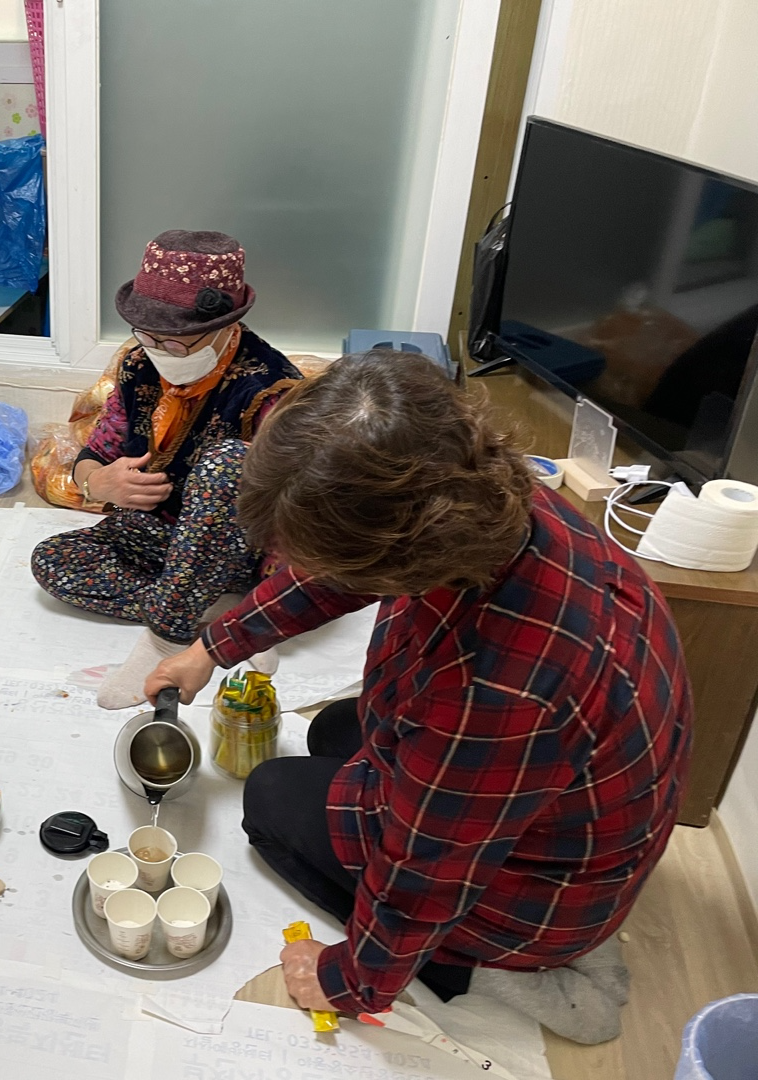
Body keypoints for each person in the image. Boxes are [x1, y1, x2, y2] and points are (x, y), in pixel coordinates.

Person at [145, 352, 692, 1045]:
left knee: (272, 795)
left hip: (539, 894)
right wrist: (212, 647)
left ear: (394, 559)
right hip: (560, 806)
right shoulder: (483, 493)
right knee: (338, 728)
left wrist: (349, 980)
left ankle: (467, 965)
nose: (303, 570)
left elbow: (424, 874)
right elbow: (341, 570)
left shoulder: (493, 690)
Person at [30, 230, 303, 708]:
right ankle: (209, 609)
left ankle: (168, 634)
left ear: (224, 327)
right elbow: (98, 450)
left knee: (226, 463)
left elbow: (296, 516)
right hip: (158, 538)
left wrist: (267, 601)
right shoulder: (139, 365)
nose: (157, 350)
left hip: (238, 551)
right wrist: (96, 481)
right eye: (147, 336)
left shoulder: (272, 391)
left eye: (174, 342)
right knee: (51, 560)